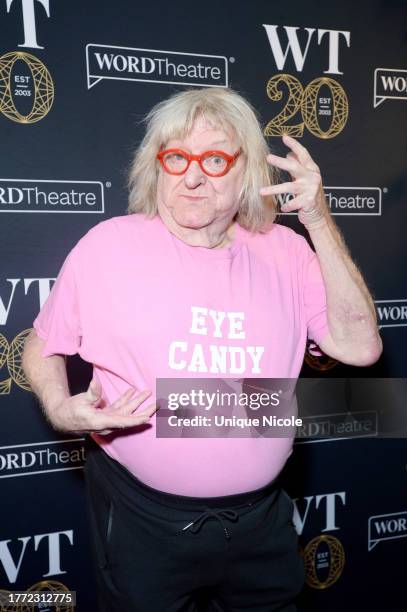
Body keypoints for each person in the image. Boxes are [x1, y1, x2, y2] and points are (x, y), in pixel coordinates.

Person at [22, 87, 382, 612]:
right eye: (176, 158)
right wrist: (58, 407)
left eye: (214, 159)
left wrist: (319, 221)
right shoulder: (108, 246)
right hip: (143, 522)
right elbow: (41, 344)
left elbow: (360, 347)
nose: (191, 177)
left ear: (250, 172)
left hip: (262, 523)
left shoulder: (286, 251)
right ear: (157, 166)